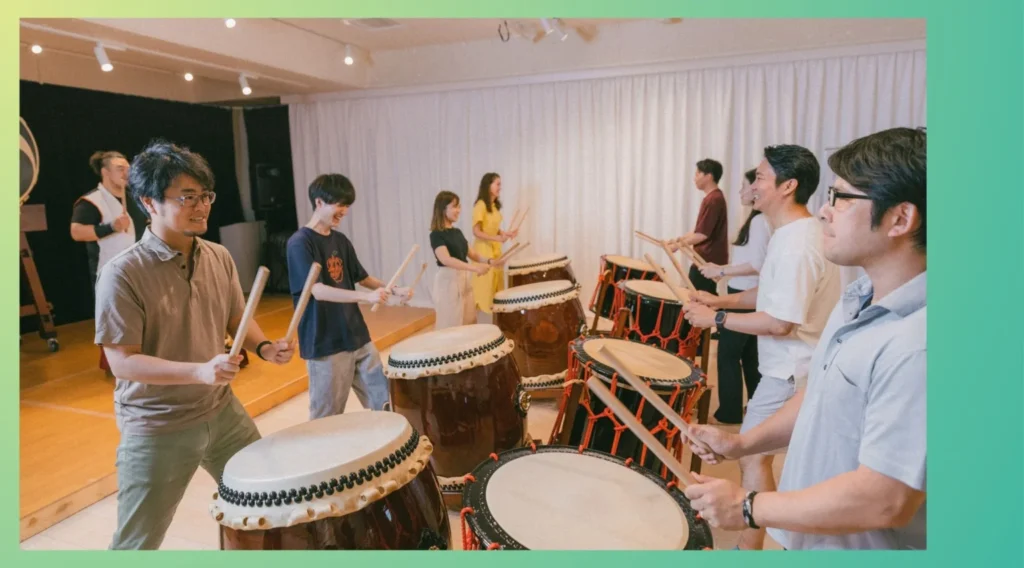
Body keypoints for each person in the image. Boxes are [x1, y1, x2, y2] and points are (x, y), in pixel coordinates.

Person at [681, 127, 927, 550]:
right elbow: (818, 395)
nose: (825, 212)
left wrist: (748, 507)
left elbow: (886, 500)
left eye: (841, 199)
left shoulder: (918, 344)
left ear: (900, 219)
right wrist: (741, 442)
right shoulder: (857, 301)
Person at [95, 140, 295, 550]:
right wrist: (199, 371)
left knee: (266, 502)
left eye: (205, 195)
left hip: (221, 412)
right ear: (149, 203)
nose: (201, 206)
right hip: (158, 426)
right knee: (138, 543)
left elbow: (236, 317)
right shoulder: (123, 274)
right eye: (187, 197)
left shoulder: (218, 256)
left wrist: (264, 348)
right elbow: (123, 363)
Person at [681, 144, 841, 550]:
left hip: (792, 370)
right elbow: (768, 294)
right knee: (756, 457)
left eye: (761, 177)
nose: (753, 184)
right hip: (790, 367)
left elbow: (779, 321)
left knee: (753, 457)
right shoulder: (787, 234)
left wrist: (714, 319)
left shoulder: (797, 243)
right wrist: (719, 300)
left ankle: (749, 549)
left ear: (788, 186)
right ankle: (753, 546)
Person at [286, 173, 412, 420]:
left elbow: (362, 277)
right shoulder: (299, 243)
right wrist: (367, 298)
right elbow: (318, 291)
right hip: (325, 343)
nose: (344, 211)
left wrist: (394, 290)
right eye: (339, 204)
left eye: (346, 205)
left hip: (357, 336)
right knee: (327, 418)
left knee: (385, 401)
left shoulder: (340, 240)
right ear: (319, 202)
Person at [698, 168, 772, 425]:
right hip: (744, 290)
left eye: (745, 186)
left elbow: (758, 263)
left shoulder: (760, 221)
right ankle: (756, 408)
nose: (740, 191)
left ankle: (729, 412)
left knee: (728, 354)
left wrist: (720, 270)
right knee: (749, 355)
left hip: (746, 294)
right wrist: (724, 273)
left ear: (755, 190)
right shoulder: (758, 220)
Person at [429, 191, 506, 329]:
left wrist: (490, 261)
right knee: (451, 323)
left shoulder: (457, 232)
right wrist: (475, 268)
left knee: (469, 321)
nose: (458, 210)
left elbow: (473, 254)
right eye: (454, 207)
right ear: (442, 209)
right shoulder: (436, 234)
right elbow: (446, 259)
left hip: (464, 278)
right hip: (448, 281)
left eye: (459, 206)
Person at [669, 159, 729, 296]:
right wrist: (680, 239)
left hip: (707, 260)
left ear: (708, 176)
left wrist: (678, 245)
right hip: (705, 259)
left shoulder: (714, 199)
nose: (694, 178)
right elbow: (699, 230)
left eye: (697, 174)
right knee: (702, 297)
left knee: (698, 298)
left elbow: (702, 235)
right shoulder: (713, 197)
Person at [471, 173, 517, 314]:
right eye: (497, 184)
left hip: (495, 249)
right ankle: (484, 322)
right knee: (486, 287)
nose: (499, 187)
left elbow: (493, 228)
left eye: (500, 184)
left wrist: (504, 234)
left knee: (497, 286)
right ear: (488, 185)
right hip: (483, 250)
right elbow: (476, 231)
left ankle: (496, 321)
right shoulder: (480, 205)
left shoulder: (493, 206)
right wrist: (496, 238)